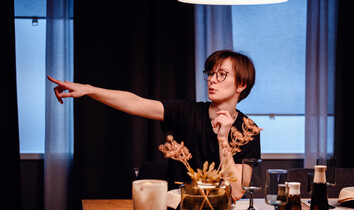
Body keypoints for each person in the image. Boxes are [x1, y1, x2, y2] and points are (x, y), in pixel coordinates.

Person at [48, 49, 260, 200]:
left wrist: (223, 139)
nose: (212, 80)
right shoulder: (186, 112)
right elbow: (136, 103)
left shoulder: (248, 130)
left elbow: (237, 191)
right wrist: (89, 89)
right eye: (210, 74)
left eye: (221, 74)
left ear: (241, 84)